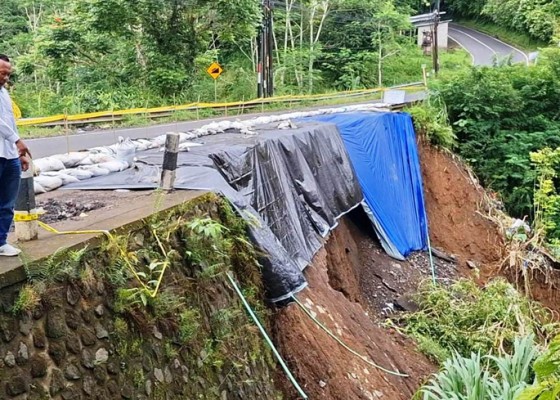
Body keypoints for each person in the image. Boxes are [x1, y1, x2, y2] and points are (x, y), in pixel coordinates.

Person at [0, 54, 31, 256]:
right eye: (2, 73)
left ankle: (1, 242)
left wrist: (18, 153)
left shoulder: (4, 93)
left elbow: (10, 122)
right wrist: (17, 141)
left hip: (9, 155)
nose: (5, 77)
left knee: (7, 203)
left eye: (8, 74)